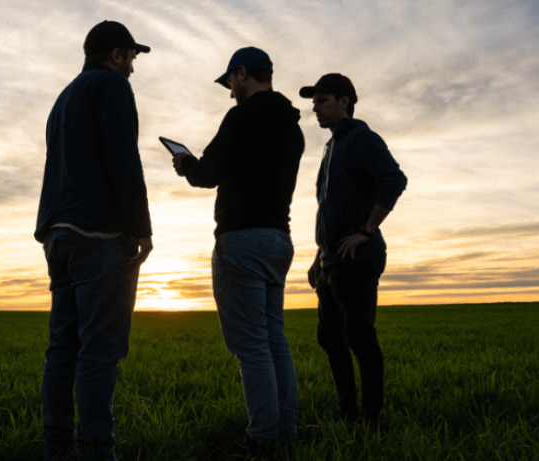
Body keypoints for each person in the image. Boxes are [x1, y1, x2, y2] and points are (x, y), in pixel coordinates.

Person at [172, 47, 305, 453]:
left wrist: (186, 165)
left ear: (242, 73)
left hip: (242, 240)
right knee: (273, 339)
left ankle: (263, 436)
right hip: (279, 240)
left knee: (250, 345)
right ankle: (286, 430)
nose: (229, 91)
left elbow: (208, 173)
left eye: (230, 81)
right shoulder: (294, 128)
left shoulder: (242, 116)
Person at [34, 20, 153, 461]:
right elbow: (124, 159)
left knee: (63, 347)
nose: (133, 69)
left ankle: (57, 447)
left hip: (58, 235)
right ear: (118, 54)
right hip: (100, 235)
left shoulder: (63, 98)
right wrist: (142, 228)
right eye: (132, 58)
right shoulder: (112, 87)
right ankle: (97, 451)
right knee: (100, 350)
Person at [300, 73, 407, 435]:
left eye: (323, 100)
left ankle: (372, 420)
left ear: (345, 101)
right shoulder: (331, 148)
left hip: (358, 258)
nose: (316, 108)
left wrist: (366, 231)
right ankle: (346, 411)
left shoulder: (361, 138)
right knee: (329, 337)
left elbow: (393, 180)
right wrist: (319, 255)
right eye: (313, 103)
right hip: (332, 259)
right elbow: (330, 208)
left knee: (360, 338)